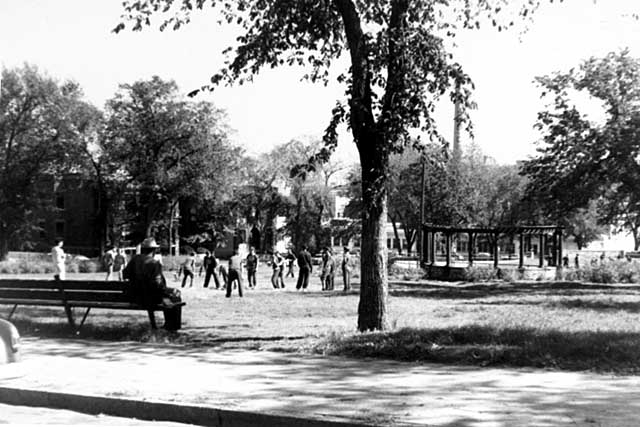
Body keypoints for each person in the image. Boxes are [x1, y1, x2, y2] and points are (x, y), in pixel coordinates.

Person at [122, 237, 182, 330]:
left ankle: (168, 324)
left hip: (133, 297)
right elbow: (158, 285)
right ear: (153, 250)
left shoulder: (135, 259)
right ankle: (173, 326)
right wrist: (169, 291)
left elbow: (125, 274)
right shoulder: (154, 263)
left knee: (169, 296)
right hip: (151, 298)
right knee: (176, 295)